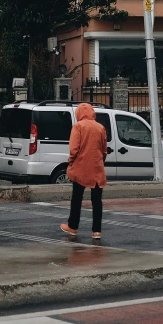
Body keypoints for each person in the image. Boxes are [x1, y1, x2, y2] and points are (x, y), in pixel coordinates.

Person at [60, 103, 107, 240]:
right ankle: (96, 231)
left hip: (81, 167)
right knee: (97, 200)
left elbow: (74, 148)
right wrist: (100, 161)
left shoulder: (78, 126)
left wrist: (70, 162)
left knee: (77, 198)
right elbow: (104, 150)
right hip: (97, 168)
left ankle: (73, 226)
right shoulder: (100, 127)